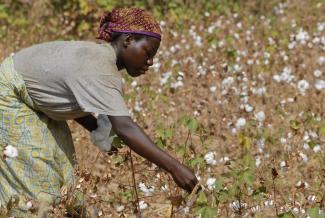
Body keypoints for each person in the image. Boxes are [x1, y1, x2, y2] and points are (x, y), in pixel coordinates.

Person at [0, 8, 198, 216]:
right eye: (147, 53)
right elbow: (125, 128)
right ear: (128, 40)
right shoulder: (101, 66)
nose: (150, 62)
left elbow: (64, 96)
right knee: (39, 182)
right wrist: (175, 168)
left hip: (34, 99)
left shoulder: (98, 55)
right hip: (9, 95)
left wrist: (97, 130)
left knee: (63, 172)